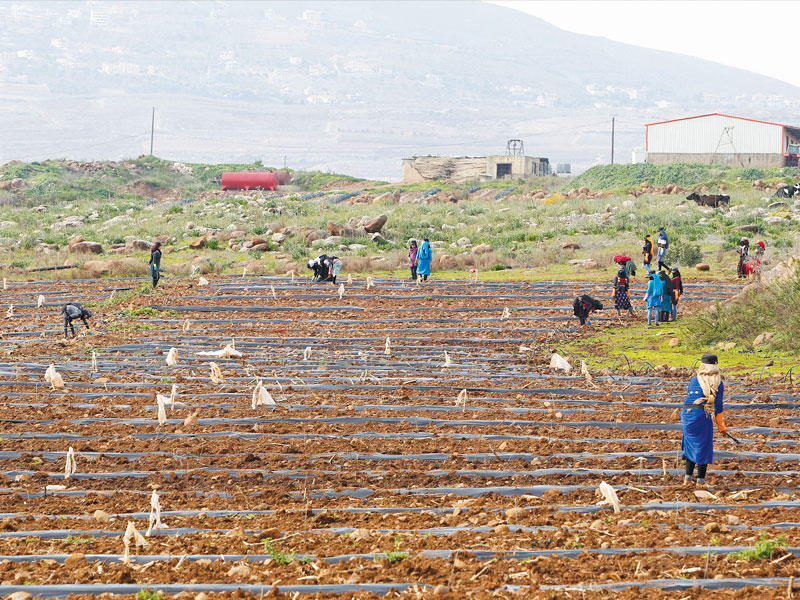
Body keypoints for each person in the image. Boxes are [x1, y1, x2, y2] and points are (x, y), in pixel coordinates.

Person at [681, 354, 727, 486]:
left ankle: (687, 479)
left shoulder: (694, 380)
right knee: (703, 446)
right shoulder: (718, 382)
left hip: (686, 414)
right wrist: (721, 426)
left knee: (690, 446)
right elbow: (718, 406)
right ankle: (700, 482)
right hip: (700, 415)